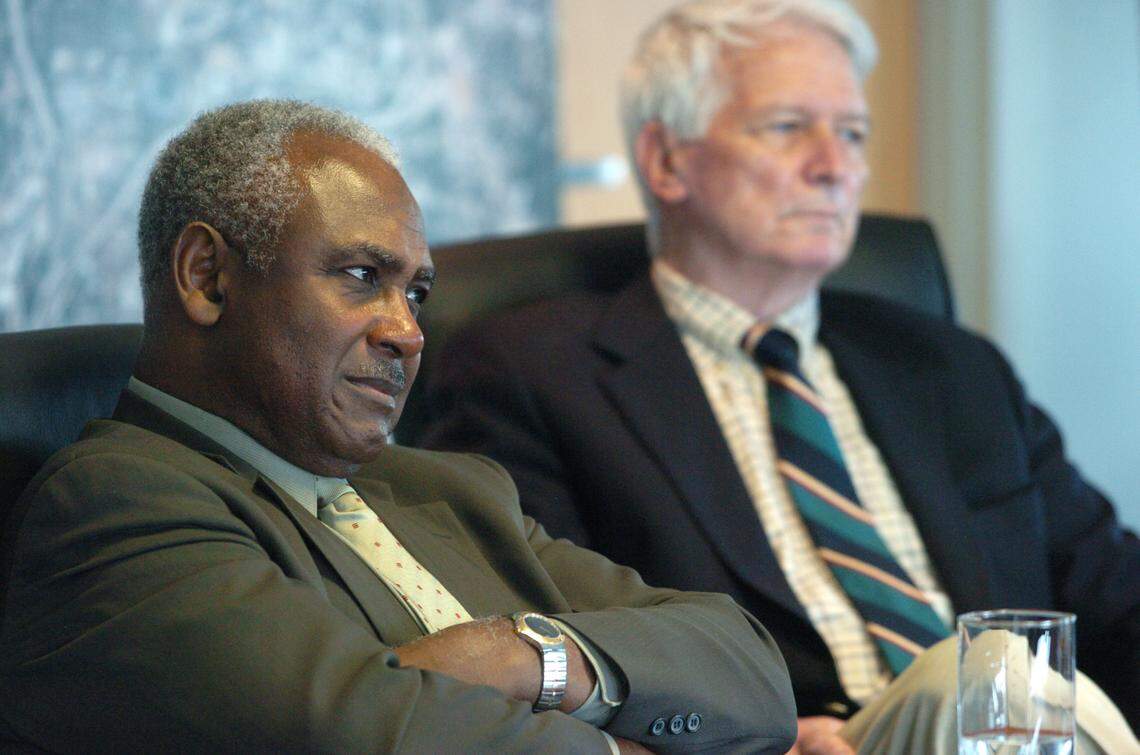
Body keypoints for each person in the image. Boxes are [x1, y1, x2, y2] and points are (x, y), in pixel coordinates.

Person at [419, 1, 1140, 752]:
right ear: (667, 161)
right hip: (780, 741)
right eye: (789, 127)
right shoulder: (535, 371)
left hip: (1003, 729)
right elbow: (541, 641)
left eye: (853, 133)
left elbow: (1118, 597)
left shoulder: (953, 368)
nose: (836, 165)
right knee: (990, 674)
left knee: (999, 679)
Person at [0, 99, 799, 753]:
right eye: (361, 277)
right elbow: (364, 734)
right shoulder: (113, 509)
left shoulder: (446, 486)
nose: (408, 332)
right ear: (207, 278)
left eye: (415, 293)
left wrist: (525, 657)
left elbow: (752, 671)